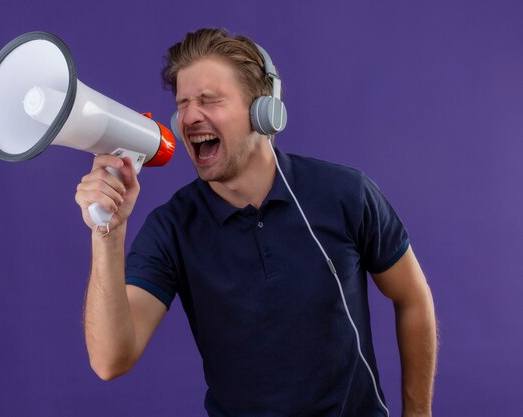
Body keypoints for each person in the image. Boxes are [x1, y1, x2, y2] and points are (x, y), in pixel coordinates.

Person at [75, 28, 437, 417]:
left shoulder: (346, 193)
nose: (190, 116)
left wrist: (418, 413)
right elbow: (110, 359)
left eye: (209, 100)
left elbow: (413, 298)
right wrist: (106, 233)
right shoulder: (172, 228)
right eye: (182, 103)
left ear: (264, 110)